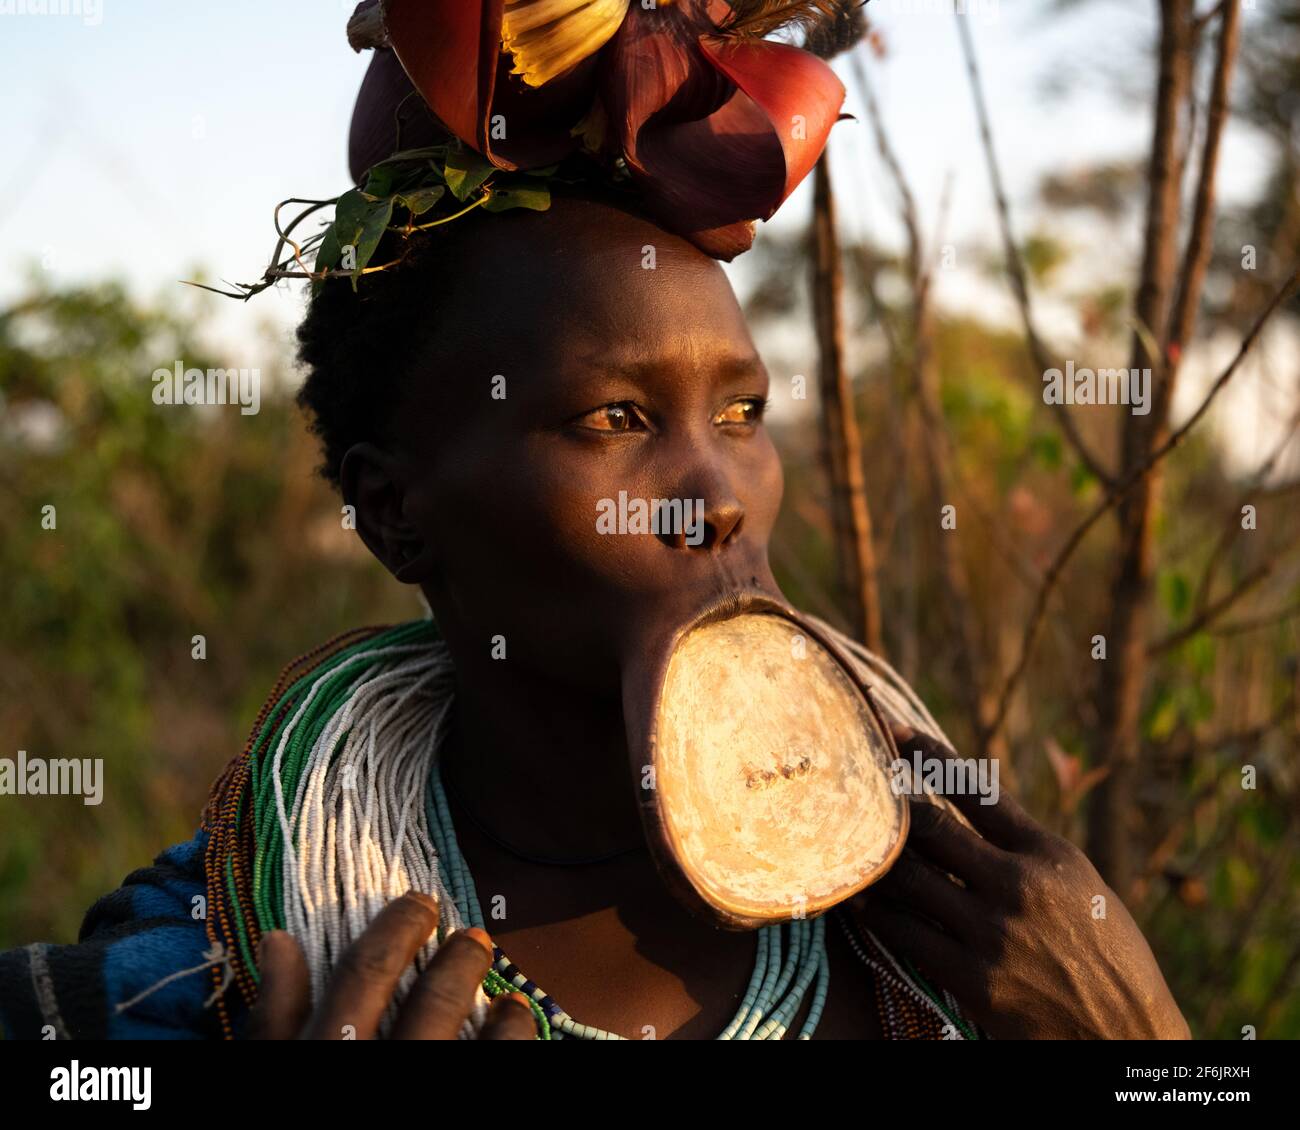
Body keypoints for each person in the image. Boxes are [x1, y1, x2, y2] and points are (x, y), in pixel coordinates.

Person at [0, 1, 1191, 1041]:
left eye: (741, 409)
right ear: (395, 512)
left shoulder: (976, 936)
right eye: (616, 417)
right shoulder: (203, 970)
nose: (717, 492)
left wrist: (1135, 1036)